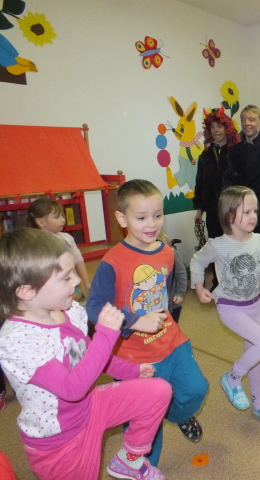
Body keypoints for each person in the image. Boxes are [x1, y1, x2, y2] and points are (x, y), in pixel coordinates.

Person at [0, 228, 172, 480]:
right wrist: (106, 335)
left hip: (89, 406)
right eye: (65, 278)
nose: (76, 281)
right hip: (61, 441)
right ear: (27, 291)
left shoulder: (68, 312)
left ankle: (130, 460)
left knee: (158, 391)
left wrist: (131, 370)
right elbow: (71, 389)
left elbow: (89, 355)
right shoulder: (18, 340)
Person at [86, 179, 209, 466]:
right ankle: (143, 468)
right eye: (141, 218)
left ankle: (176, 414)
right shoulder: (112, 262)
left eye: (157, 215)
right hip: (132, 356)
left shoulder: (166, 252)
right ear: (122, 219)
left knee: (196, 389)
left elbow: (164, 294)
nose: (152, 224)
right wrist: (133, 321)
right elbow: (93, 309)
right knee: (144, 426)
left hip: (171, 342)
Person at [190, 186, 260, 427]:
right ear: (230, 215)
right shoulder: (218, 245)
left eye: (255, 211)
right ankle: (232, 378)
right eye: (247, 211)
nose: (254, 216)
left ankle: (258, 403)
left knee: (255, 355)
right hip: (229, 307)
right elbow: (197, 262)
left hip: (253, 305)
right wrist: (199, 286)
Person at [222, 105, 260, 247]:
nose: (247, 123)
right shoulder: (234, 151)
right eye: (243, 120)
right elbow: (227, 182)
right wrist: (229, 210)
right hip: (240, 212)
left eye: (251, 119)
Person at [193, 105, 241, 290]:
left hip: (233, 209)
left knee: (234, 245)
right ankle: (218, 281)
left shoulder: (236, 152)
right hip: (213, 209)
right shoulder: (205, 155)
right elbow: (200, 183)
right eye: (212, 127)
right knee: (215, 246)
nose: (216, 130)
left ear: (227, 128)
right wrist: (199, 209)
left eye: (219, 126)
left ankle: (235, 281)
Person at [27, 197, 91, 302]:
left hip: (73, 286)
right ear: (41, 222)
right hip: (52, 291)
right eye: (57, 217)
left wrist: (86, 282)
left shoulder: (67, 238)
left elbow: (78, 260)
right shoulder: (36, 245)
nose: (62, 220)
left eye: (62, 215)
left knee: (79, 310)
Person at [157, 233, 187, 322]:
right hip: (157, 304)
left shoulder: (173, 254)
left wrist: (179, 293)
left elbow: (181, 274)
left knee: (172, 324)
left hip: (173, 302)